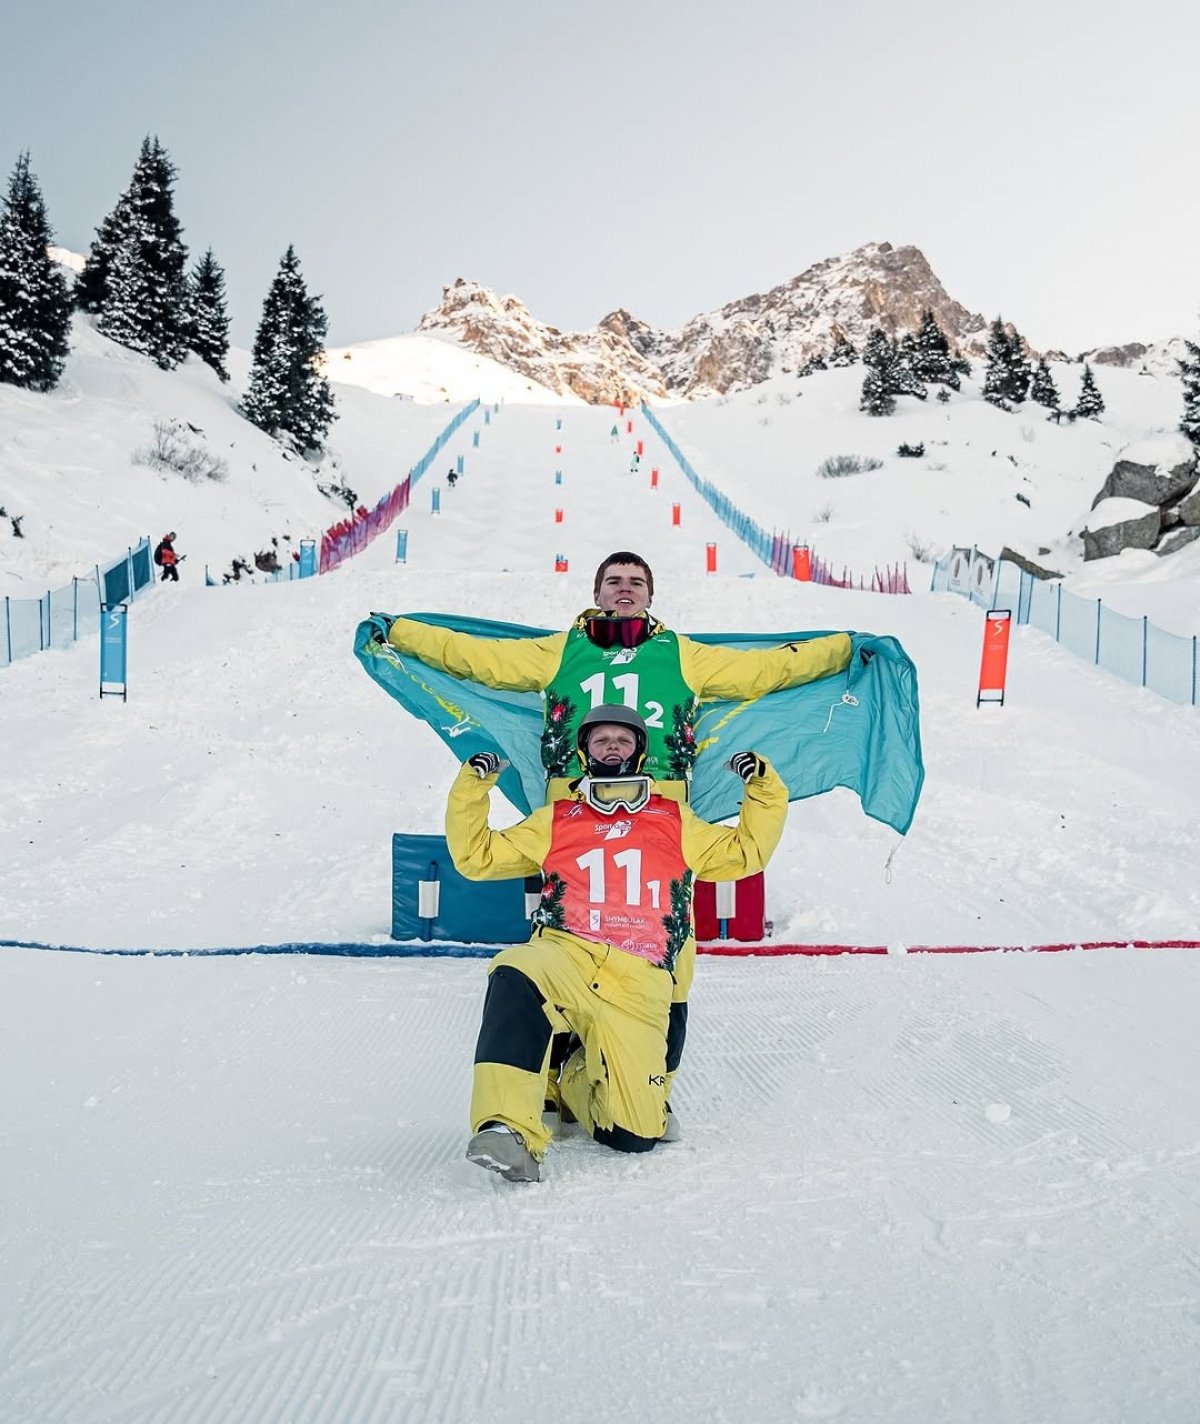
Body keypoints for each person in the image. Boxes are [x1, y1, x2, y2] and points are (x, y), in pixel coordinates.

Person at [382, 551, 852, 1115]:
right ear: (596, 592)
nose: (624, 589)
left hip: (660, 830)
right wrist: (403, 634)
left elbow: (769, 669)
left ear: (650, 595)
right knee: (559, 952)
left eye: (635, 582)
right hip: (573, 825)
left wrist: (844, 648)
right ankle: (554, 1081)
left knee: (668, 962)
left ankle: (646, 1085)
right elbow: (477, 658)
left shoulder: (683, 655)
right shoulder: (559, 651)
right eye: (613, 581)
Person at [451, 705, 787, 1182]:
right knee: (516, 968)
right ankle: (507, 1128)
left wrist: (762, 789)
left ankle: (570, 1079)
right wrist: (473, 787)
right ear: (585, 751)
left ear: (639, 752)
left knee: (635, 1135)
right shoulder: (556, 818)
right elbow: (477, 857)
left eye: (623, 740)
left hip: (639, 977)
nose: (612, 747)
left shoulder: (675, 818)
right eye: (601, 739)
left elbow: (744, 852)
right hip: (567, 954)